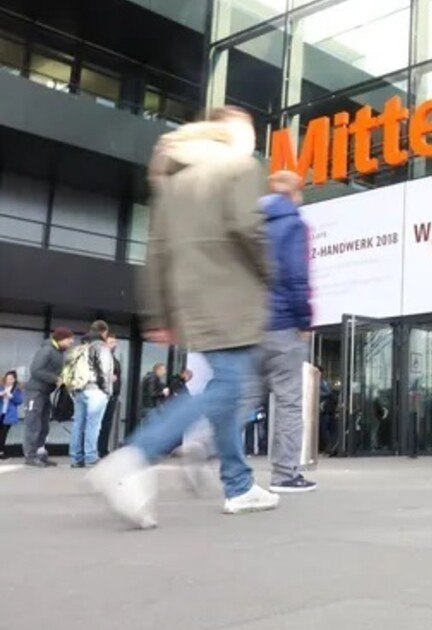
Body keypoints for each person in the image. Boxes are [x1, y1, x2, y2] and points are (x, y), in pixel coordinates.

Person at [89, 105, 279, 528]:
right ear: (230, 133)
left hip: (191, 299)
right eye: (249, 133)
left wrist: (160, 310)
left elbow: (155, 250)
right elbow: (249, 227)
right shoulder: (239, 166)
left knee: (225, 390)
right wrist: (272, 273)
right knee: (229, 386)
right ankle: (134, 457)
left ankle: (238, 483)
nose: (253, 143)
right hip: (231, 292)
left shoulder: (171, 179)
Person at [239, 168, 318, 493]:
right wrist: (304, 320)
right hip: (283, 323)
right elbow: (297, 278)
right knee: (287, 401)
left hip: (249, 324)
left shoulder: (251, 223)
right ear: (295, 193)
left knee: (242, 398)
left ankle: (202, 451)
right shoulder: (294, 225)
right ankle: (285, 474)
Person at [66, 320, 115, 468]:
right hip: (95, 391)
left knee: (78, 424)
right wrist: (107, 390)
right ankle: (91, 456)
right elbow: (104, 370)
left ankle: (75, 458)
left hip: (79, 389)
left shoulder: (81, 346)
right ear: (103, 331)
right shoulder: (101, 346)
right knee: (93, 424)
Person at [22, 328, 74, 467]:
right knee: (33, 424)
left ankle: (40, 454)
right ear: (61, 338)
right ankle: (30, 456)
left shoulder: (58, 352)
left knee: (44, 426)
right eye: (69, 339)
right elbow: (35, 370)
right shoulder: (47, 350)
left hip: (44, 393)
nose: (71, 342)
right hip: (35, 392)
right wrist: (55, 378)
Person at [97, 336, 122, 458]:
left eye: (115, 342)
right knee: (100, 423)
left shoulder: (114, 358)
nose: (114, 344)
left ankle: (103, 449)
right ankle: (98, 449)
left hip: (113, 395)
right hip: (104, 394)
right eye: (111, 342)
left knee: (107, 424)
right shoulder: (102, 357)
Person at [1, 370, 23, 460]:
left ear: (14, 380)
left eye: (11, 378)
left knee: (3, 434)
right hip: (1, 412)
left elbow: (20, 401)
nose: (9, 380)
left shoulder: (16, 390)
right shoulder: (1, 387)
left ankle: (1, 451)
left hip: (8, 414)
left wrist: (11, 396)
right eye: (7, 378)